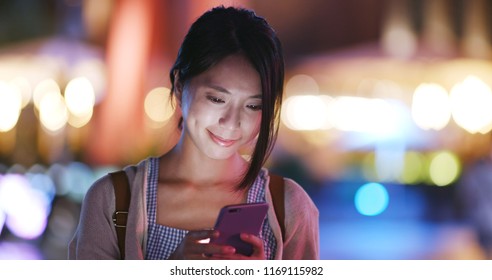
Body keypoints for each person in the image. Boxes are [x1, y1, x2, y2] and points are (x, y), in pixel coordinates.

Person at [68, 5, 319, 260]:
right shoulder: (112, 201)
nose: (232, 122)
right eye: (217, 99)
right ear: (179, 86)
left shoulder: (289, 207)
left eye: (253, 105)